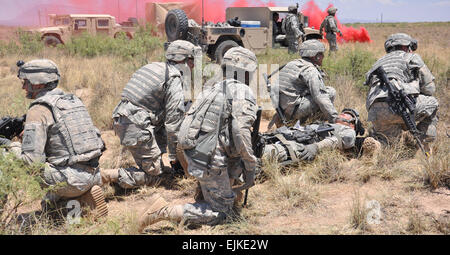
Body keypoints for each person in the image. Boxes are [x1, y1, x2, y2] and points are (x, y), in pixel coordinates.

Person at [137, 47, 259, 231]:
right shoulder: (243, 91)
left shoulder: (213, 88)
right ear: (246, 71)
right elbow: (240, 132)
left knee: (233, 168)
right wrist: (251, 165)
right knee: (223, 213)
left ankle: (206, 193)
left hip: (194, 152)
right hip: (209, 158)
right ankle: (163, 211)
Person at [4, 59, 107, 217]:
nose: (23, 86)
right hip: (94, 173)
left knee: (4, 155)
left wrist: (9, 145)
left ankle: (82, 205)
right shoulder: (72, 101)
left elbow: (32, 163)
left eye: (25, 81)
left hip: (70, 180)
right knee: (48, 206)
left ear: (37, 84)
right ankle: (85, 201)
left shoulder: (39, 109)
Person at [101, 40, 201, 189]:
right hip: (135, 124)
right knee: (154, 178)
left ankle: (153, 163)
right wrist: (176, 158)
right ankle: (104, 177)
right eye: (192, 61)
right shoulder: (173, 78)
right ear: (183, 60)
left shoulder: (154, 66)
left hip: (126, 119)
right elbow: (173, 124)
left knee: (160, 168)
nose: (193, 66)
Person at [365, 33, 439, 151]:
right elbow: (430, 89)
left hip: (376, 111)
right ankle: (423, 145)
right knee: (433, 103)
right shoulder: (411, 57)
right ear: (406, 46)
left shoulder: (377, 62)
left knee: (390, 142)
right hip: (400, 107)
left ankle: (377, 147)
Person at [260, 109, 381, 167]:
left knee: (259, 155)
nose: (342, 115)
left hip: (293, 146)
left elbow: (338, 140)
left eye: (347, 115)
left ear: (352, 123)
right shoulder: (322, 124)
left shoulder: (348, 131)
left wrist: (316, 147)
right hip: (287, 139)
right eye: (342, 114)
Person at [269, 40, 338, 129]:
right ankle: (316, 126)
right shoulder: (309, 70)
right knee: (330, 92)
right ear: (315, 56)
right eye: (321, 54)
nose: (323, 56)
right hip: (294, 111)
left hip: (282, 109)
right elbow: (320, 96)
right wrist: (335, 118)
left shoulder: (292, 64)